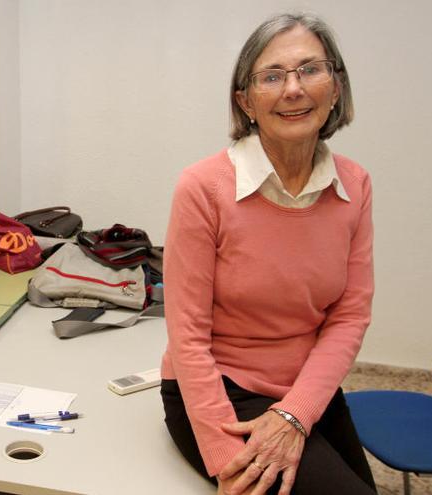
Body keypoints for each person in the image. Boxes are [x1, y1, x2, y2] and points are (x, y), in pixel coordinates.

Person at [160, 12, 376, 495]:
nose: (293, 89)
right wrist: (225, 457)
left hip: (305, 389)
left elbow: (349, 315)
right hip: (222, 391)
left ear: (336, 87)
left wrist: (296, 414)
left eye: (310, 70)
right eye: (272, 76)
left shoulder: (354, 184)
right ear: (246, 101)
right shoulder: (203, 188)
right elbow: (187, 334)